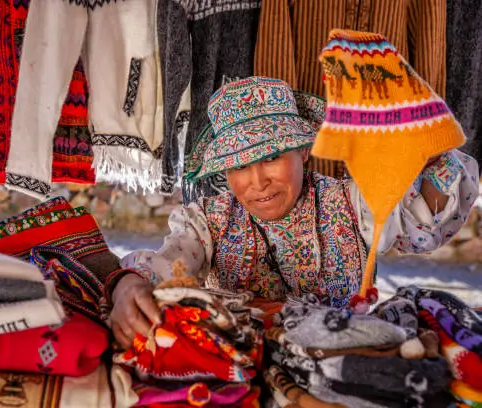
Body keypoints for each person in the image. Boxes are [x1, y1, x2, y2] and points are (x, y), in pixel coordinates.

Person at [108, 77, 479, 347]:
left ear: (303, 150)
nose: (257, 182)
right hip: (241, 369)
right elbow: (165, 265)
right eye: (239, 167)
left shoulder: (352, 205)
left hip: (343, 360)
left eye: (271, 157)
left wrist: (432, 153)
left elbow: (422, 222)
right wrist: (129, 285)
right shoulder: (205, 221)